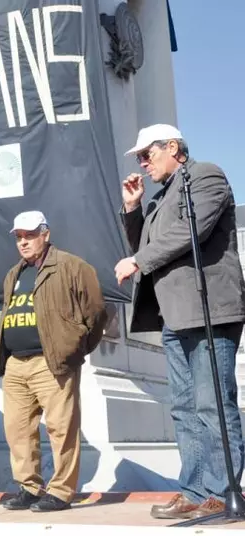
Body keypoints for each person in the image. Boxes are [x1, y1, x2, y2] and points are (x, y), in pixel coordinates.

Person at [116, 124, 245, 520]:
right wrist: (134, 208)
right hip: (174, 316)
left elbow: (188, 233)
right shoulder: (160, 196)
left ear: (172, 147)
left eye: (147, 154)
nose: (142, 163)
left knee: (212, 405)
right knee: (185, 408)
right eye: (139, 157)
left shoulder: (205, 175)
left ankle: (224, 492)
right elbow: (146, 243)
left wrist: (138, 261)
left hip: (208, 309)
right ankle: (192, 489)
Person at [0, 211, 107, 512]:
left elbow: (95, 312)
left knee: (61, 428)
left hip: (53, 361)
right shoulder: (13, 274)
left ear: (45, 233)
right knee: (17, 430)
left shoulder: (72, 266)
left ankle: (61, 491)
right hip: (16, 364)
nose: (23, 242)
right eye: (18, 237)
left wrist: (75, 347)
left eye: (29, 235)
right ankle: (29, 487)